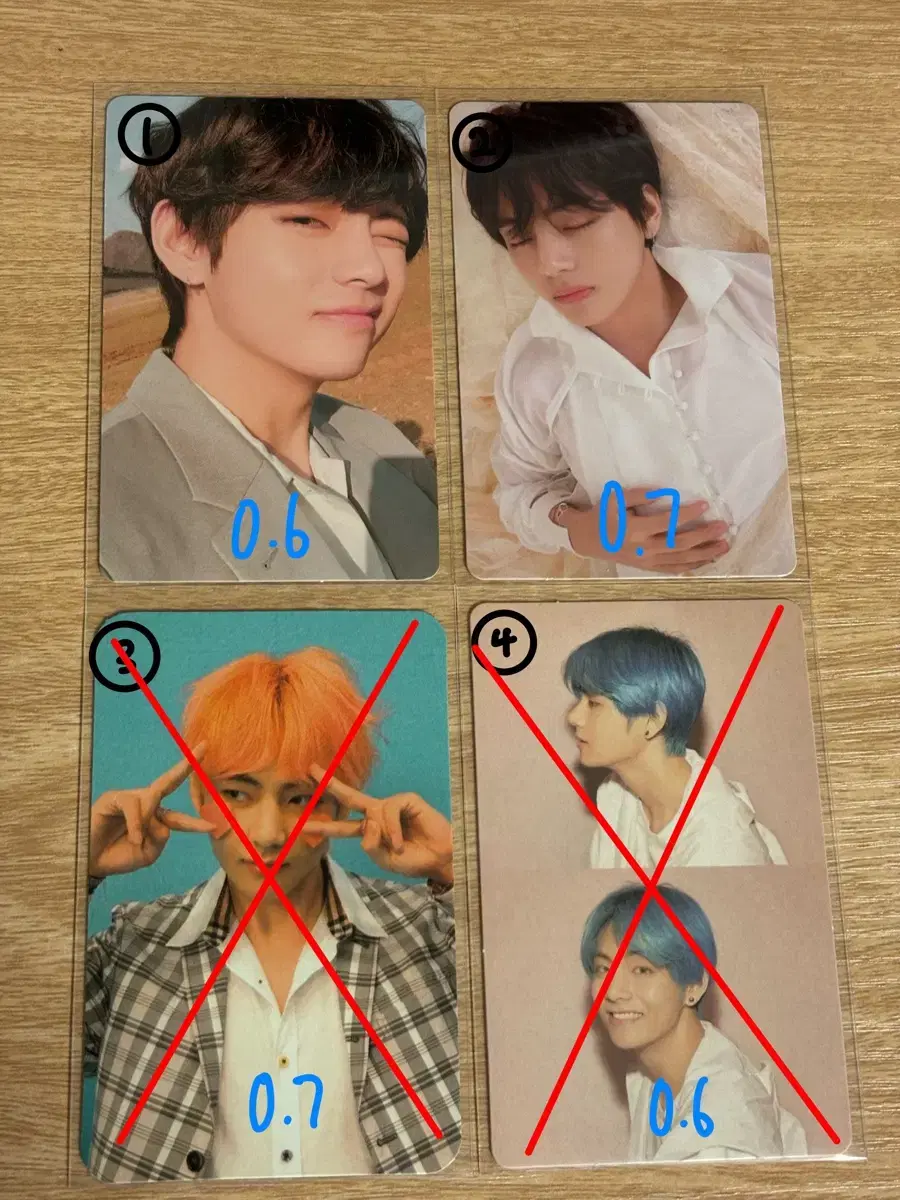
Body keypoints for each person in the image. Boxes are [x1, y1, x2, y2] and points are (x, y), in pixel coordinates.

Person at [84, 648, 458, 1182]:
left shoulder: (426, 931)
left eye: (299, 798)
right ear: (199, 795)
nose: (267, 835)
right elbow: (24, 1049)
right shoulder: (133, 946)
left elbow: (548, 1021)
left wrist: (456, 868)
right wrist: (72, 869)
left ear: (340, 805)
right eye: (237, 793)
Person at [101, 97, 438, 582]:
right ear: (185, 240)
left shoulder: (383, 446)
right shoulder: (100, 518)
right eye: (307, 220)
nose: (369, 269)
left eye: (390, 234)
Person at [463, 101, 795, 578]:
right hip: (662, 602)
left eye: (575, 223)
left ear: (649, 211)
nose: (550, 263)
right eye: (520, 238)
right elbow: (521, 489)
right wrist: (581, 530)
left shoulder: (757, 298)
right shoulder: (534, 368)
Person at [581, 883, 808, 1161]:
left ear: (695, 985)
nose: (614, 991)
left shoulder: (718, 1142)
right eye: (604, 968)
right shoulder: (655, 1081)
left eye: (642, 970)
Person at [564, 626, 786, 867]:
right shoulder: (616, 795)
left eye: (594, 704)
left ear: (652, 720)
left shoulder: (722, 846)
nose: (574, 717)